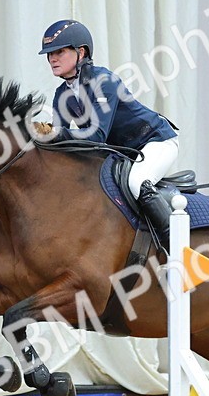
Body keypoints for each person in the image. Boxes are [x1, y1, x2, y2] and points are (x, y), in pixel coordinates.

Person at [37, 19, 179, 243]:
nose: (52, 58)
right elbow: (58, 143)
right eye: (49, 54)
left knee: (137, 183)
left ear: (80, 52)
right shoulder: (61, 94)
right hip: (123, 152)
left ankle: (174, 245)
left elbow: (97, 137)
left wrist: (55, 134)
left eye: (59, 51)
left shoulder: (104, 81)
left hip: (154, 142)